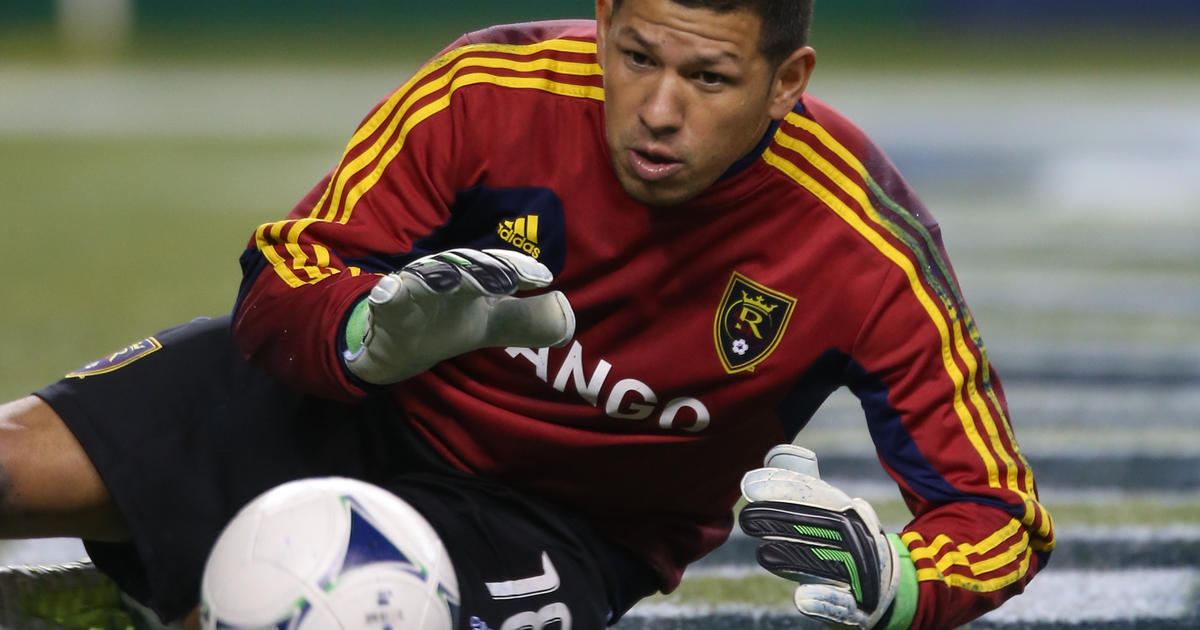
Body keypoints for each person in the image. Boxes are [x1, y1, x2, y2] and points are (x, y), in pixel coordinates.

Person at [0, 0, 1055, 628]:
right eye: (636, 54)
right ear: (602, 17)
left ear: (788, 82)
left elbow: (1001, 516)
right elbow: (284, 278)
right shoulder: (488, 90)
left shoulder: (864, 244)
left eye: (709, 76)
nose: (657, 107)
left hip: (565, 528)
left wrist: (904, 580)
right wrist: (370, 332)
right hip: (354, 408)